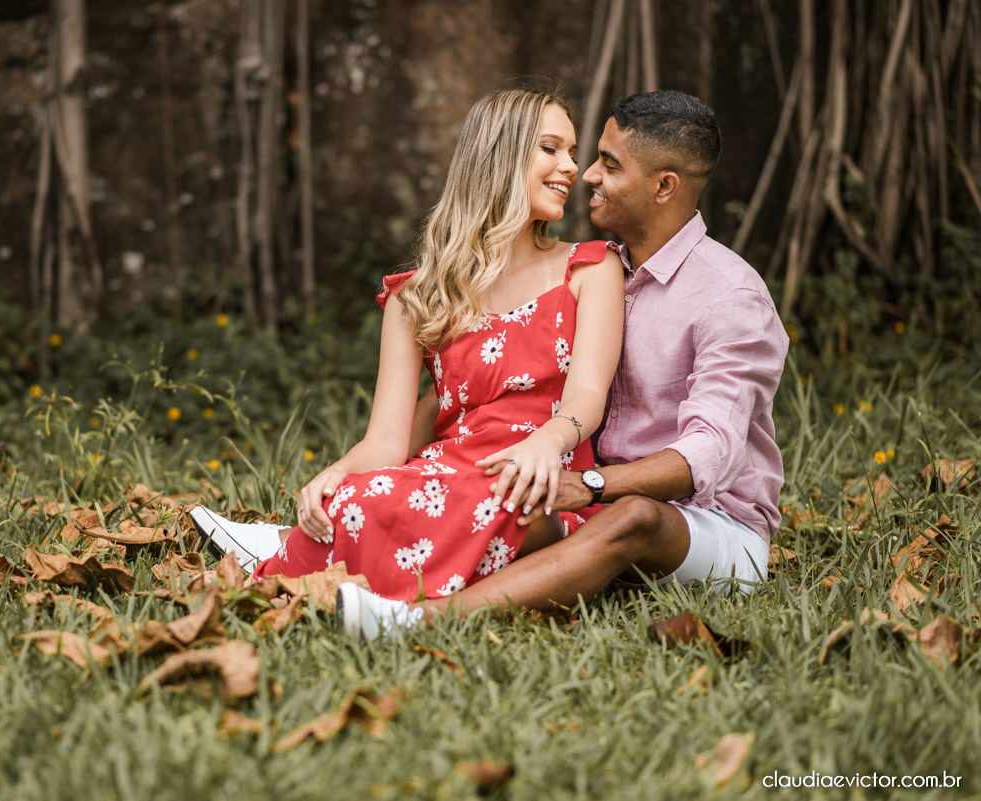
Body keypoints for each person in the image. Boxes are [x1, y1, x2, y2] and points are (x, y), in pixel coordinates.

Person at [335, 89, 790, 639]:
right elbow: (478, 390)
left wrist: (590, 484)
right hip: (590, 499)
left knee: (635, 517)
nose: (586, 174)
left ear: (664, 186)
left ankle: (419, 621)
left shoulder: (728, 296)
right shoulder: (599, 269)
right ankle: (310, 543)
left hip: (707, 525)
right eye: (589, 155)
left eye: (608, 163)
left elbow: (707, 457)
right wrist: (370, 471)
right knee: (492, 497)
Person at [190, 86, 625, 600]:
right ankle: (325, 569)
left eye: (572, 153)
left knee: (476, 497)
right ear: (499, 155)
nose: (572, 167)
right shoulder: (418, 295)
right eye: (551, 149)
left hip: (535, 485)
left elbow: (587, 399)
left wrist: (547, 443)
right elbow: (386, 443)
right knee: (354, 494)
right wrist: (334, 474)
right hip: (442, 474)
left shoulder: (590, 268)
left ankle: (288, 560)